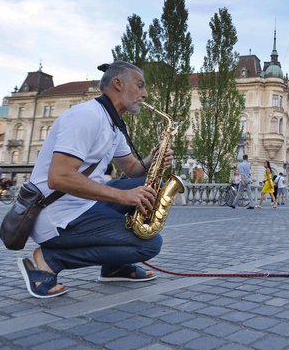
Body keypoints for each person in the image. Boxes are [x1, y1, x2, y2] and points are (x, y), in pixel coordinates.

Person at [16, 61, 174, 299]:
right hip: (56, 214)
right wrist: (123, 196)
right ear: (118, 84)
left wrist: (153, 160)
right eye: (140, 86)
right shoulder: (86, 117)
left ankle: (115, 266)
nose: (145, 94)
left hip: (82, 205)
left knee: (154, 188)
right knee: (149, 244)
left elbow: (132, 169)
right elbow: (58, 177)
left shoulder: (112, 124)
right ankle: (49, 260)